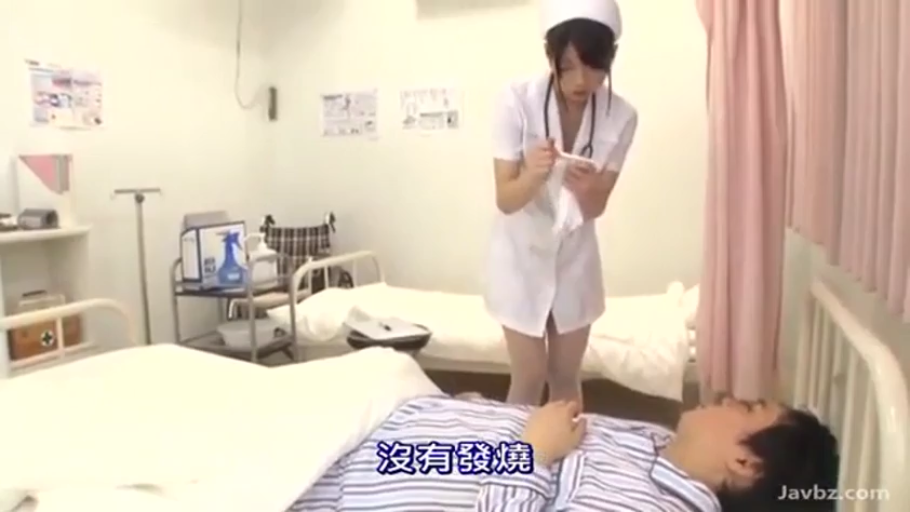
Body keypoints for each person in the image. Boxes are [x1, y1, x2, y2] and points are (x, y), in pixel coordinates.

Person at [295, 394, 839, 511]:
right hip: (381, 420)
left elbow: (542, 447)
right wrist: (483, 413)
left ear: (745, 463)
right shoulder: (658, 444)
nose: (727, 398)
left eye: (747, 408)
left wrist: (530, 452)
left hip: (337, 478)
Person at [483, 0, 639, 406]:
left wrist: (588, 190)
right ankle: (516, 448)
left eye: (594, 66)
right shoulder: (516, 100)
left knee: (566, 376)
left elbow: (597, 207)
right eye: (567, 66)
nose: (581, 80)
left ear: (611, 57)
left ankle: (567, 447)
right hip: (520, 257)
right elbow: (505, 199)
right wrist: (532, 174)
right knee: (530, 374)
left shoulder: (622, 116)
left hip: (575, 260)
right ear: (549, 55)